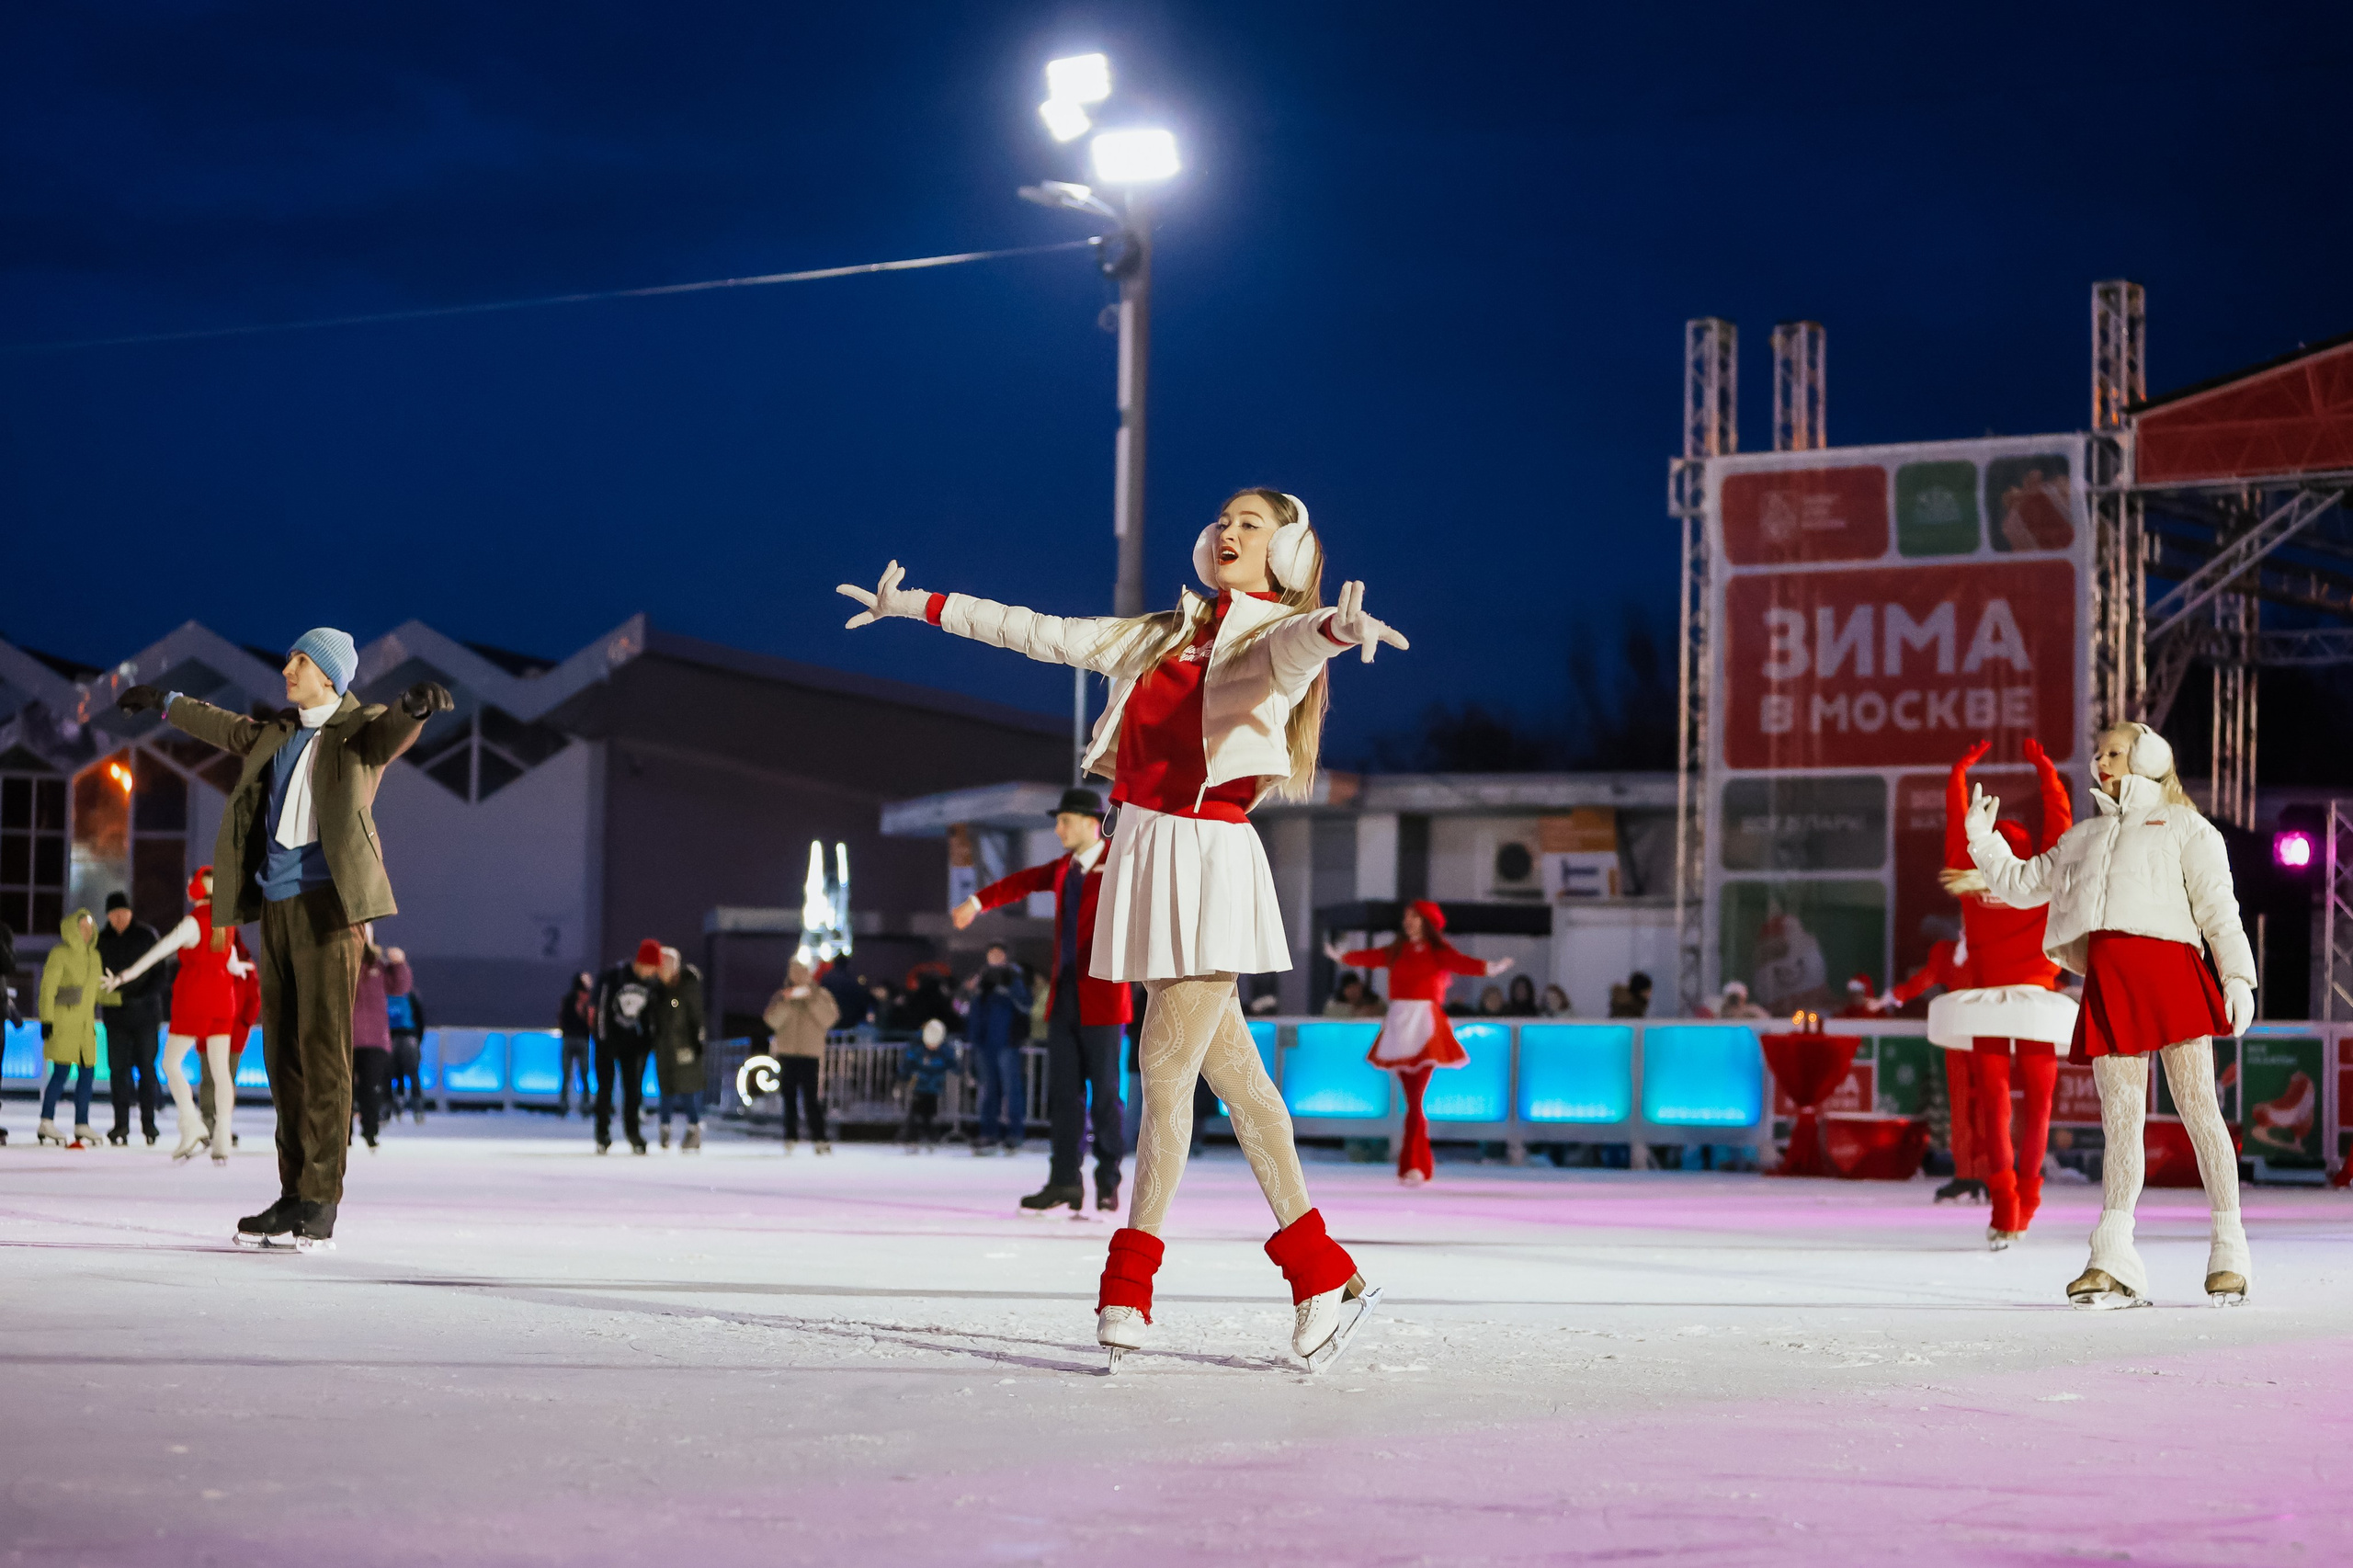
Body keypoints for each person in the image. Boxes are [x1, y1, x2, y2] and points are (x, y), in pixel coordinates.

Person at [841, 485, 1407, 1369]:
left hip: (1206, 863)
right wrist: (918, 605)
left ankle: (1129, 1287)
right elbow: (1041, 631)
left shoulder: (1268, 641)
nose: (1228, 532)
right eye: (1223, 520)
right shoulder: (1159, 633)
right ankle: (1321, 1273)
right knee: (1245, 1088)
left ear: (1285, 556)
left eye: (1250, 525)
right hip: (1144, 857)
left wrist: (1334, 629)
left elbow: (1299, 650)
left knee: (1164, 1071)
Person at [117, 631, 450, 1250]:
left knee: (324, 1051)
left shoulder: (359, 729)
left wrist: (415, 708)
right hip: (275, 905)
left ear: (329, 676)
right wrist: (166, 699)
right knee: (283, 1058)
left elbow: (392, 734)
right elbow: (221, 726)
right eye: (292, 657)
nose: (287, 668)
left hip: (330, 907)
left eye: (300, 661)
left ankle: (322, 1197)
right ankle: (293, 1191)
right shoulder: (276, 733)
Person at [1967, 722, 2256, 1309]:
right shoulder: (2084, 837)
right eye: (2098, 753)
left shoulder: (2184, 826)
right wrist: (1984, 842)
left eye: (2115, 752)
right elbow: (2024, 885)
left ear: (2148, 756)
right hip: (2110, 982)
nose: (2102, 761)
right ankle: (2112, 1257)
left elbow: (2219, 907)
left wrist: (2239, 976)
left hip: (2172, 974)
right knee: (2121, 1121)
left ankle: (2230, 1249)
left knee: (2200, 1109)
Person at [953, 784, 1133, 1212]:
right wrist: (977, 901)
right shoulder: (1063, 870)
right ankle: (1064, 1181)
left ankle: (1108, 1179)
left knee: (1105, 1095)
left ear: (1092, 824)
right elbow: (1021, 883)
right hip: (1065, 999)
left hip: (1106, 1000)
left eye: (1064, 821)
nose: (1057, 829)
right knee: (1064, 1093)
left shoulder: (1122, 864)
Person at [1930, 738, 2078, 1249]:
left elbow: (1957, 823)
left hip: (1989, 1007)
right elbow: (2061, 821)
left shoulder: (1972, 880)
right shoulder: (2046, 875)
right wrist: (2047, 772)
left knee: (1994, 1106)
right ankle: (2029, 1197)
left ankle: (2004, 1204)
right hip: (2038, 1004)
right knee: (2038, 1107)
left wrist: (1959, 773)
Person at [1329, 900, 1512, 1187]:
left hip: (1425, 1024)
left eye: (1413, 917)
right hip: (1401, 1023)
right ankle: (1416, 1165)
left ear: (1426, 921)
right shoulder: (1396, 950)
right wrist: (1344, 957)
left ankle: (1414, 1164)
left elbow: (1461, 963)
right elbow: (1371, 957)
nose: (1408, 922)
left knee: (1415, 1100)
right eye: (1407, 917)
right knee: (1412, 1099)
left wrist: (1491, 968)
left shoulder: (1437, 952)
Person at [103, 868, 251, 1164]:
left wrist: (121, 978)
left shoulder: (193, 922)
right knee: (221, 1071)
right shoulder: (226, 923)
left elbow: (157, 953)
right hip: (224, 999)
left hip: (195, 998)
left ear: (196, 891)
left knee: (171, 1063)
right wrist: (239, 971)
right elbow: (232, 961)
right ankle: (222, 1134)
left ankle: (191, 1123)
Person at [96, 891, 165, 1146]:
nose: (117, 920)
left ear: (130, 913)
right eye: (113, 916)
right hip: (116, 1019)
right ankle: (121, 1125)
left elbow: (160, 975)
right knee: (118, 1072)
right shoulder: (102, 941)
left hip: (146, 1016)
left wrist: (142, 997)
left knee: (147, 1070)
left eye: (121, 914)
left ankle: (149, 1124)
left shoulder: (147, 936)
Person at [37, 907, 104, 1147]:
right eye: (82, 927)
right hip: (64, 1023)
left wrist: (120, 995)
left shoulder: (95, 957)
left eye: (89, 927)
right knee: (61, 1072)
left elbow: (98, 991)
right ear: (73, 929)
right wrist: (47, 1019)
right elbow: (48, 988)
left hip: (86, 1026)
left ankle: (81, 1123)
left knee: (87, 1074)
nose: (87, 931)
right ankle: (46, 1120)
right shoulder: (60, 953)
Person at [959, 943, 1033, 1154]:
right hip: (983, 1041)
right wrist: (970, 990)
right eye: (991, 954)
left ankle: (1014, 1134)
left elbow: (1026, 1004)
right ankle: (989, 1132)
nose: (994, 958)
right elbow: (961, 1005)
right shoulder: (980, 977)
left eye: (998, 954)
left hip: (1006, 1041)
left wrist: (1008, 989)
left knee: (1011, 1088)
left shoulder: (1014, 977)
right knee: (988, 1088)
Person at [593, 939, 665, 1154]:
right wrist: (603, 1039)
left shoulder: (650, 985)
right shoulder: (615, 977)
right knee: (605, 1089)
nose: (653, 972)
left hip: (631, 1044)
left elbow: (648, 1016)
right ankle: (602, 1133)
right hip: (608, 1041)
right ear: (642, 962)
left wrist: (646, 1042)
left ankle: (633, 1133)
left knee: (633, 1091)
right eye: (652, 966)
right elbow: (602, 1010)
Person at [763, 956, 839, 1153]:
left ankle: (819, 1138)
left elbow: (829, 1018)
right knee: (788, 1097)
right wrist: (788, 1002)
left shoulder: (821, 995)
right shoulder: (782, 996)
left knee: (811, 1098)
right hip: (787, 1052)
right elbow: (772, 1020)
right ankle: (790, 1136)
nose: (797, 975)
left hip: (810, 1054)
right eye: (794, 971)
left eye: (802, 971)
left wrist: (810, 1000)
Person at [347, 930, 411, 1151]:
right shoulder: (343, 963)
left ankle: (370, 1131)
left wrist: (399, 964)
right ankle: (343, 1135)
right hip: (345, 1038)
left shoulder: (380, 968)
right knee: (343, 1089)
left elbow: (400, 987)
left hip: (375, 1040)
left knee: (370, 1088)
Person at [653, 945, 706, 1151]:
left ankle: (693, 1130)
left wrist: (696, 1043)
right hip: (664, 1048)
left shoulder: (686, 986)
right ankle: (665, 1130)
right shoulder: (658, 990)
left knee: (686, 1090)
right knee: (666, 1090)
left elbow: (696, 1017)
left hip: (684, 1047)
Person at [901, 1017, 954, 1150]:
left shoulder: (943, 1049)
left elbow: (952, 1063)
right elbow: (908, 1062)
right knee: (916, 1113)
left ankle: (930, 1139)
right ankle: (911, 1139)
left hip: (933, 1088)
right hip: (919, 1086)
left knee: (929, 1115)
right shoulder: (918, 1047)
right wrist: (905, 1075)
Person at [385, 966, 426, 1123]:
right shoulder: (409, 995)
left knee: (407, 1074)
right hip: (404, 1037)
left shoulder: (409, 996)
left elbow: (419, 1018)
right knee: (399, 1074)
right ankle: (406, 1108)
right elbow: (420, 1020)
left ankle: (412, 1108)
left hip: (401, 1037)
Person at [555, 971, 596, 1118]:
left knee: (580, 1075)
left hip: (578, 1040)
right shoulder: (571, 1002)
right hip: (574, 1040)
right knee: (571, 1075)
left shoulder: (583, 1004)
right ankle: (568, 1105)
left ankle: (580, 1105)